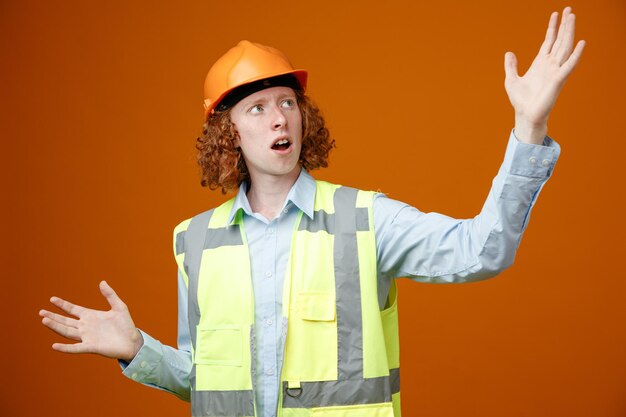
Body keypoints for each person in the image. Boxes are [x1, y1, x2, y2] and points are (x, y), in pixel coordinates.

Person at [40, 7, 585, 417]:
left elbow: (481, 249)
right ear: (228, 133)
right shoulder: (195, 241)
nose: (279, 118)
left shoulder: (366, 220)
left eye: (287, 102)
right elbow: (206, 379)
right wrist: (138, 350)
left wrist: (528, 128)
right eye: (257, 107)